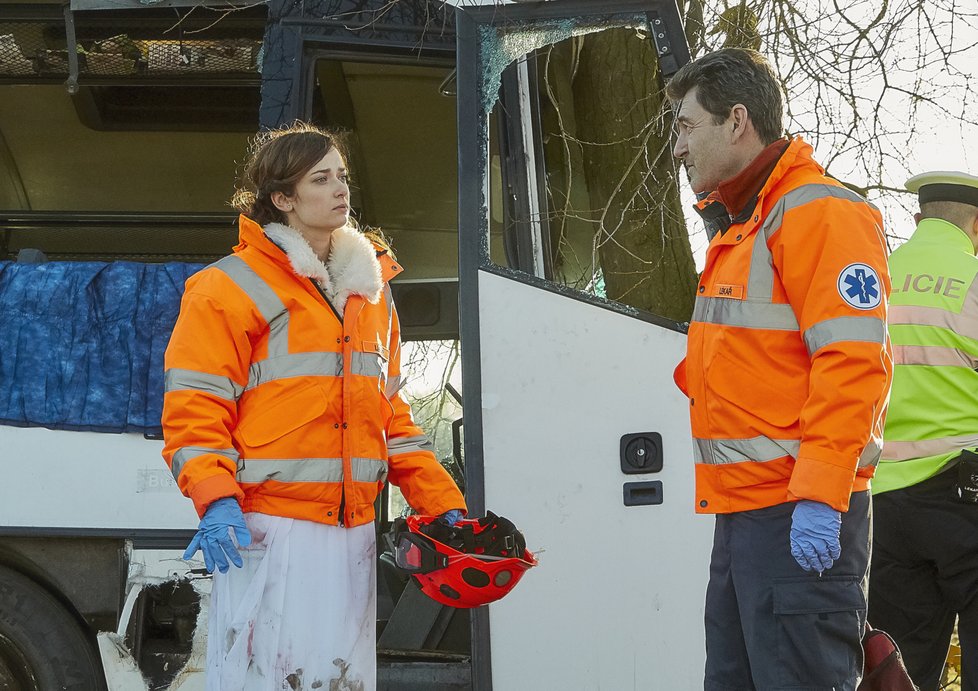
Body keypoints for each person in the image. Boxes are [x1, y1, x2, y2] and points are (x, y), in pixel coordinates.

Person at [161, 121, 466, 691]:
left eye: (342, 177)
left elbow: (390, 417)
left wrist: (441, 504)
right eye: (320, 179)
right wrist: (215, 497)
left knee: (337, 680)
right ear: (283, 199)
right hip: (268, 528)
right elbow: (195, 406)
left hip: (351, 529)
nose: (340, 190)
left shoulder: (370, 290)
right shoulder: (225, 287)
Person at [665, 48, 892, 689]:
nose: (676, 148)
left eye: (685, 126)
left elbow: (853, 365)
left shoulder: (818, 213)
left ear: (737, 121)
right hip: (752, 516)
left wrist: (821, 494)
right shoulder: (745, 226)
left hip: (797, 512)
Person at [868, 171, 978, 691]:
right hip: (965, 499)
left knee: (900, 667)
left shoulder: (873, 282)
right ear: (976, 225)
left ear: (919, 220)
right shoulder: (972, 280)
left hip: (883, 503)